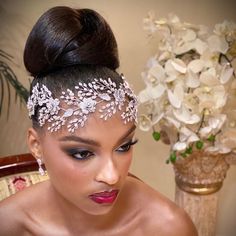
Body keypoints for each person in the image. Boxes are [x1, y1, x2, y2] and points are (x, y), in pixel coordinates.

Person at [0, 6, 197, 236]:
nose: (112, 176)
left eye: (123, 147)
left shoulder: (168, 227)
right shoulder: (8, 223)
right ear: (37, 146)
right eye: (82, 153)